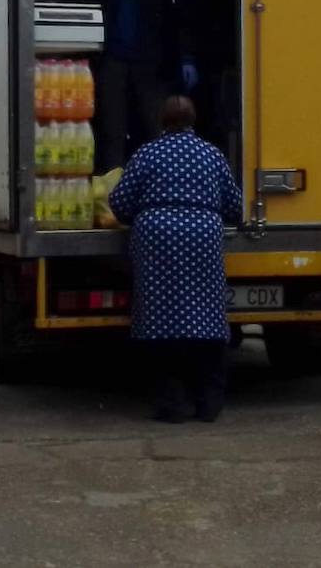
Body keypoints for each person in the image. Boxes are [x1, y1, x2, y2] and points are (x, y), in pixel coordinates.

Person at [109, 96, 243, 423]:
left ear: (162, 122)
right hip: (203, 238)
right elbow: (235, 207)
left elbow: (120, 202)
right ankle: (209, 404)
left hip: (157, 239)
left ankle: (171, 405)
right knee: (207, 316)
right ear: (193, 120)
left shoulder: (148, 154)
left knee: (160, 318)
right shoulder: (212, 155)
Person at [96, 0, 197, 173]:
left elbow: (179, 18)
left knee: (156, 125)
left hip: (151, 61)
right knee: (112, 128)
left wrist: (186, 57)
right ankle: (112, 188)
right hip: (114, 58)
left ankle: (161, 181)